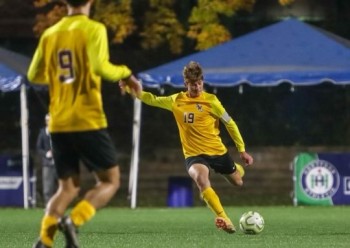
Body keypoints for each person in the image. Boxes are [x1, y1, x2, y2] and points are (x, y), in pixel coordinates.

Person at [27, 0, 142, 247]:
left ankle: (45, 239)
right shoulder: (93, 29)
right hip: (86, 118)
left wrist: (61, 76)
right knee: (110, 181)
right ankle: (74, 221)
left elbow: (33, 74)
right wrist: (126, 73)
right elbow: (102, 68)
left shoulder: (50, 33)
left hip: (57, 122)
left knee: (66, 189)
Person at [121, 61, 253, 234]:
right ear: (186, 84)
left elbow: (230, 124)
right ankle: (223, 218)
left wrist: (241, 150)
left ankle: (237, 169)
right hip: (194, 155)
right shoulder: (176, 101)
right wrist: (131, 89)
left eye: (199, 83)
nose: (197, 87)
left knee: (237, 181)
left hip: (217, 151)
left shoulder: (212, 101)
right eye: (192, 84)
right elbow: (150, 99)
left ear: (202, 82)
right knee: (201, 179)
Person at [36, 114, 58, 206]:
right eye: (47, 120)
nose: (49, 122)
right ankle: (48, 206)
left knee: (61, 187)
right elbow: (38, 148)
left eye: (50, 120)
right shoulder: (42, 133)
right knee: (47, 188)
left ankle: (58, 206)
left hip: (58, 163)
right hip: (47, 163)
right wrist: (46, 154)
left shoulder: (57, 133)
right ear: (45, 122)